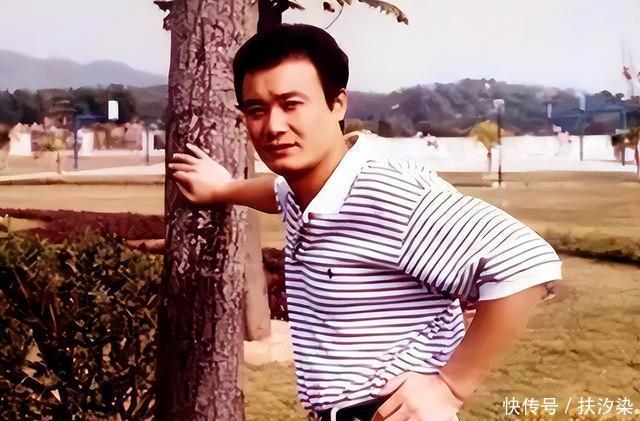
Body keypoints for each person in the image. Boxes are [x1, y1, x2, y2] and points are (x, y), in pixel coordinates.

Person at [169, 24, 562, 421]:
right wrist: (222, 190)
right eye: (256, 110)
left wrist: (451, 386)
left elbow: (526, 261)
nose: (273, 126)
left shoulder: (385, 191)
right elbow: (277, 192)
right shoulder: (313, 188)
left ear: (337, 104)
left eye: (291, 104)